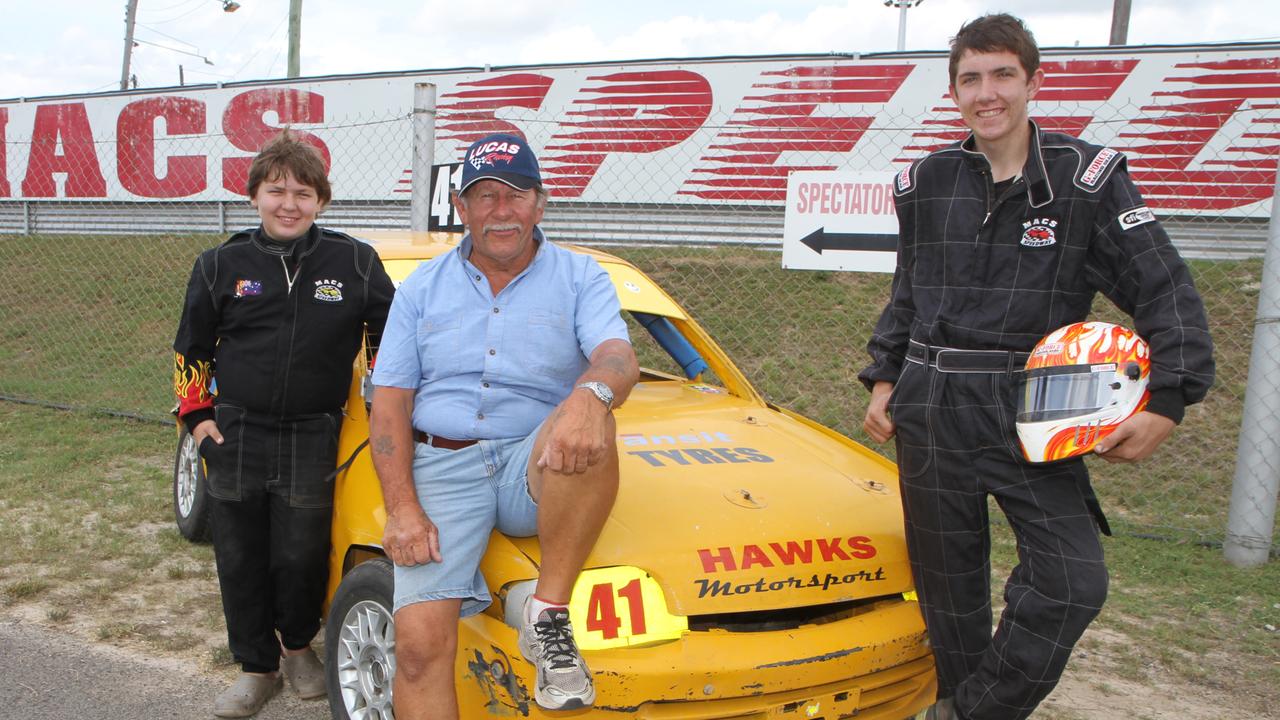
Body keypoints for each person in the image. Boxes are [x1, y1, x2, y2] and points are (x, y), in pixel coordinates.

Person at [859, 14, 1214, 720]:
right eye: (970, 78)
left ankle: (966, 713)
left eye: (1002, 75)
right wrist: (884, 373)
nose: (986, 93)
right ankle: (961, 703)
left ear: (1033, 82)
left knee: (1073, 581)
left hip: (1039, 406)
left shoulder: (1087, 180)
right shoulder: (927, 181)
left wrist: (1167, 397)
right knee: (951, 598)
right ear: (954, 90)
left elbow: (1164, 287)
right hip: (932, 403)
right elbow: (909, 290)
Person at [368, 132, 639, 718]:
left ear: (541, 204)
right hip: (443, 466)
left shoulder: (580, 276)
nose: (501, 210)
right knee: (416, 649)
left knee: (591, 419)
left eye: (516, 194)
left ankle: (548, 617)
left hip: (533, 462)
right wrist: (402, 507)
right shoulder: (419, 289)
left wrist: (591, 398)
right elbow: (388, 405)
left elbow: (617, 356)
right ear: (461, 209)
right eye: (484, 196)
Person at [173, 130, 395, 717]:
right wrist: (197, 419)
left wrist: (383, 400)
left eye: (302, 192)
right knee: (240, 554)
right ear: (254, 197)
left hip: (312, 430)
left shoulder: (354, 261)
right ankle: (256, 667)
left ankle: (298, 650)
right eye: (277, 191)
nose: (289, 204)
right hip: (235, 432)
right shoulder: (220, 264)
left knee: (300, 554)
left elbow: (390, 336)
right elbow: (191, 347)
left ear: (321, 200)